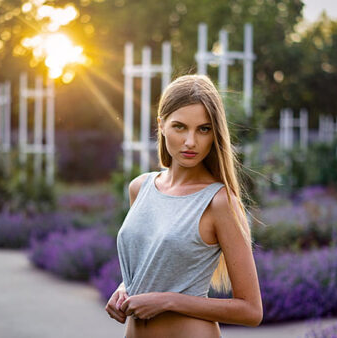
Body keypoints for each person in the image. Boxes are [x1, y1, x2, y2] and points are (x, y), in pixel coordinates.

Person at [105, 74, 263, 337]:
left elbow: (251, 310)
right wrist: (125, 288)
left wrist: (168, 301)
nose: (191, 141)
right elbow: (153, 265)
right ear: (162, 125)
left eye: (204, 129)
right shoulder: (140, 188)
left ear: (215, 134)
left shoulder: (219, 202)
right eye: (180, 127)